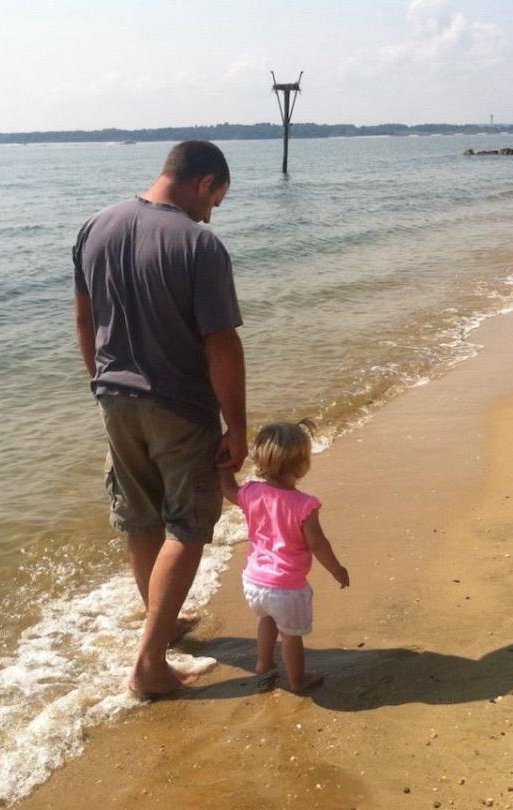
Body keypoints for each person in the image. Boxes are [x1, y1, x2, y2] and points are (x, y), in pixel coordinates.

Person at [73, 141, 246, 697]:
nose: (212, 211)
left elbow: (85, 318)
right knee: (188, 524)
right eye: (216, 199)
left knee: (141, 517)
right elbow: (220, 343)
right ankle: (149, 665)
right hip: (177, 403)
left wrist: (100, 382)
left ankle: (163, 624)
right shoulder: (199, 244)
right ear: (204, 182)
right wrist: (236, 426)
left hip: (115, 398)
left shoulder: (94, 227)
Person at [219, 420, 349, 692]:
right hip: (286, 588)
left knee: (266, 619)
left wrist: (223, 468)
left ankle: (263, 663)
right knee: (291, 637)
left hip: (253, 582)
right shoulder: (304, 505)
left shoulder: (252, 492)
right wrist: (336, 569)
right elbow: (318, 543)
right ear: (302, 465)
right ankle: (297, 679)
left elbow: (230, 491)